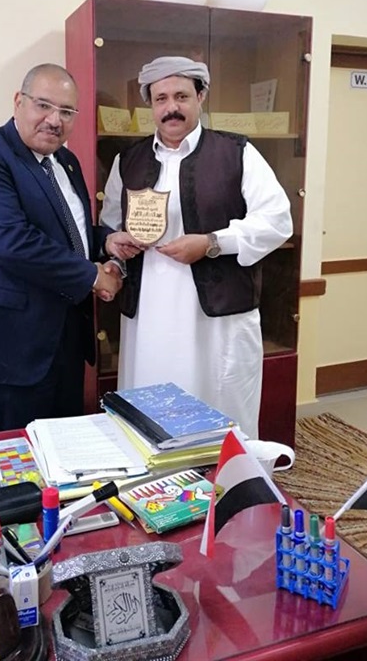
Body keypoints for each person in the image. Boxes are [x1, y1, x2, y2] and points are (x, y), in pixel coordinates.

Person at [100, 56, 293, 439]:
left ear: (200, 97)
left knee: (219, 412)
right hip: (148, 317)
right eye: (161, 99)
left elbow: (277, 220)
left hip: (217, 319)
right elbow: (112, 225)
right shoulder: (128, 160)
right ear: (150, 104)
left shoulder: (236, 152)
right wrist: (115, 253)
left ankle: (227, 476)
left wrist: (211, 243)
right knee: (149, 413)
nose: (171, 107)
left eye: (181, 96)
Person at [0, 63, 136, 432]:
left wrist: (105, 239)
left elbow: (67, 231)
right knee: (18, 458)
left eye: (66, 111)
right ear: (18, 102)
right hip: (9, 347)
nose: (54, 120)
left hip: (65, 341)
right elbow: (12, 241)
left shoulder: (66, 161)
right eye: (44, 106)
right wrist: (92, 275)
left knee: (64, 452)